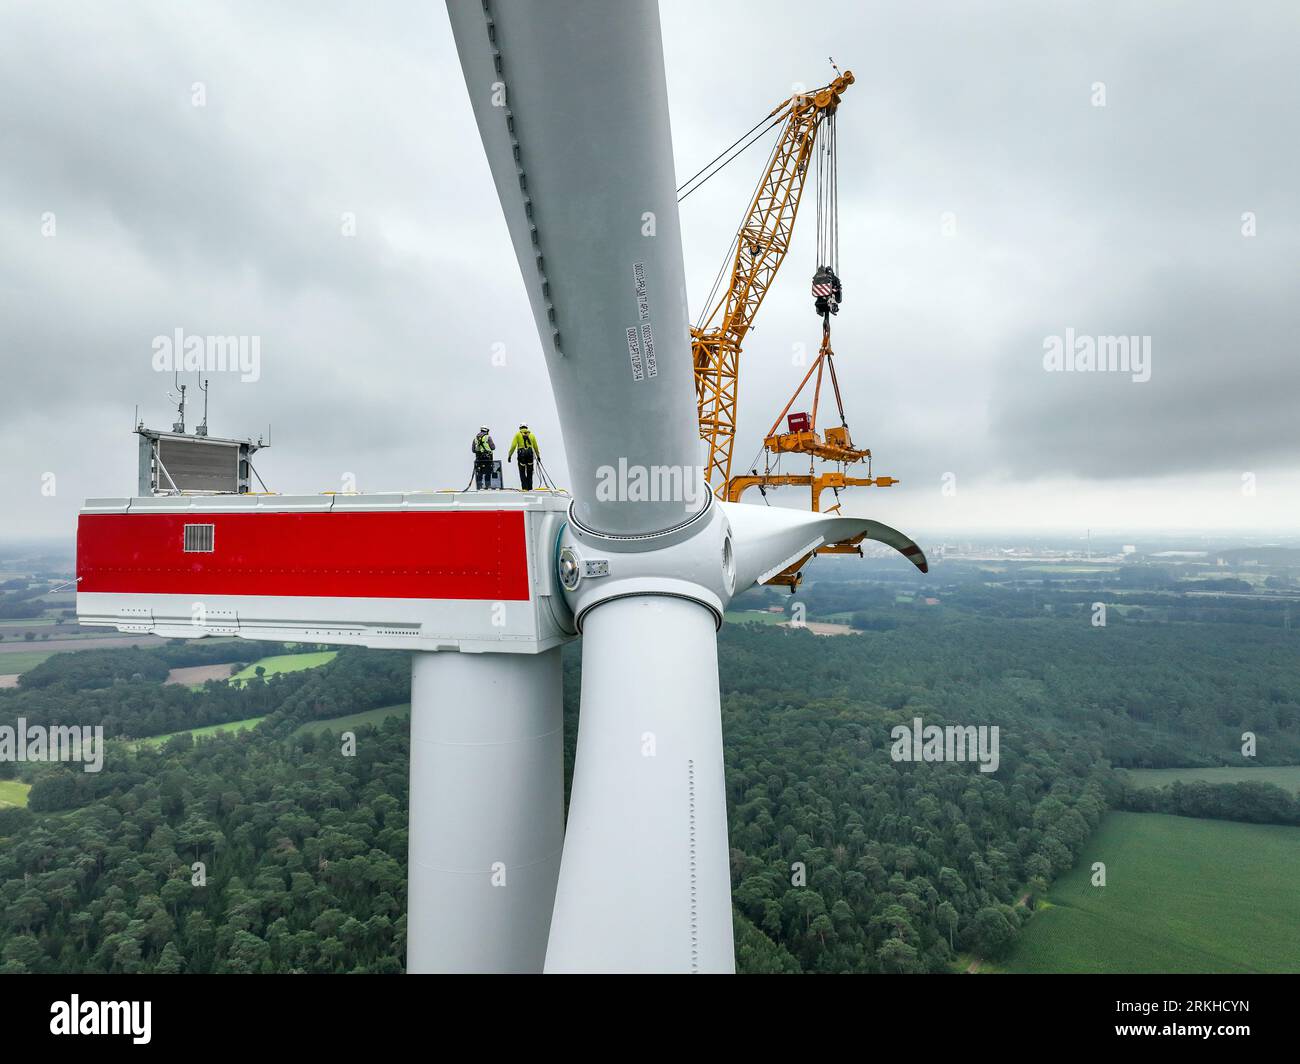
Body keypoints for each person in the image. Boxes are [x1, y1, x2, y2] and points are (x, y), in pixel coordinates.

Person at [507, 423, 540, 491]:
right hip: (530, 455)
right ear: (527, 428)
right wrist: (538, 456)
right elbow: (536, 447)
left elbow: (513, 446)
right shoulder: (532, 435)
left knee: (522, 472)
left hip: (521, 455)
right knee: (529, 472)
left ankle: (524, 488)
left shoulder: (518, 434)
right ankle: (530, 488)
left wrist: (509, 456)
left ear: (520, 428)